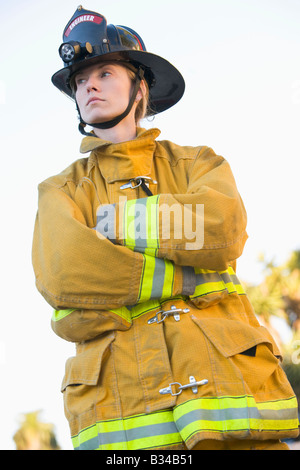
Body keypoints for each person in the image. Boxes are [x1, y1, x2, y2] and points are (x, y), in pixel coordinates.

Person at [32, 6, 299, 451]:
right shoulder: (58, 190)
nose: (89, 85)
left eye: (105, 72)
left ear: (141, 87)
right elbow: (66, 275)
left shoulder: (200, 163)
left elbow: (222, 229)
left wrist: (117, 224)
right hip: (126, 420)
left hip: (234, 406)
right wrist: (185, 275)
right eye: (79, 81)